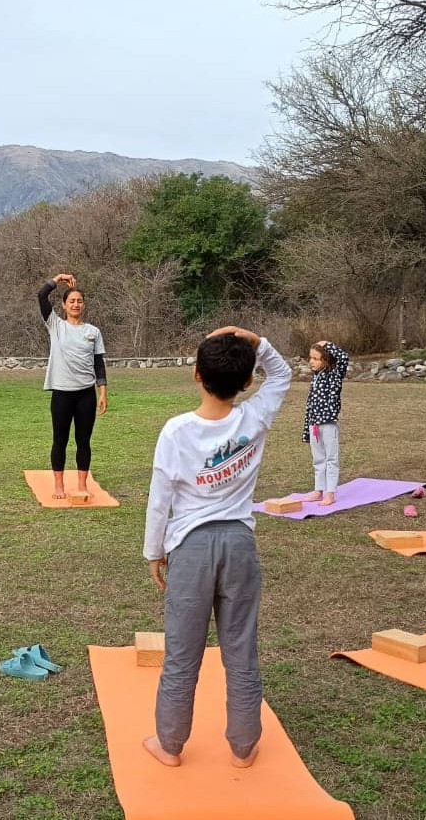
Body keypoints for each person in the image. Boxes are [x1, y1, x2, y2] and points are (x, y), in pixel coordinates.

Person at [141, 325, 292, 768]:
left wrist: (154, 552)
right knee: (240, 648)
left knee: (182, 654)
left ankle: (169, 745)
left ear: (195, 374)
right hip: (240, 546)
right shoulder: (254, 415)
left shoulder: (175, 431)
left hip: (191, 550)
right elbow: (281, 374)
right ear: (247, 383)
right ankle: (244, 748)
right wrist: (256, 340)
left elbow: (160, 498)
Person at [38, 273, 107, 499]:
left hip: (86, 394)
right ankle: (59, 485)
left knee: (83, 441)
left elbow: (99, 365)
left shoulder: (93, 332)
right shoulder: (55, 325)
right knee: (60, 439)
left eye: (79, 301)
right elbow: (41, 295)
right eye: (72, 301)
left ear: (83, 305)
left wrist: (102, 392)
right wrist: (57, 279)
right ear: (64, 305)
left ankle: (82, 484)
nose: (76, 304)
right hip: (62, 394)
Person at [300, 340, 349, 506]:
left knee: (330, 459)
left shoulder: (334, 375)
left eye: (316, 358)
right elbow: (310, 405)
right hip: (314, 424)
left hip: (328, 423)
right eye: (310, 358)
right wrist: (307, 429)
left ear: (325, 360)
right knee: (318, 459)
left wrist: (328, 345)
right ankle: (318, 490)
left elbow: (343, 358)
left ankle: (330, 493)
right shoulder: (315, 378)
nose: (311, 361)